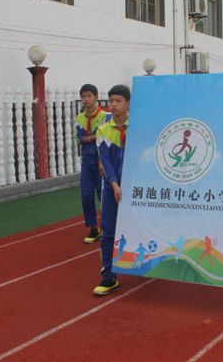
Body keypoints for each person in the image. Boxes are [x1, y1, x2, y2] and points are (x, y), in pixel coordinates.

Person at [93, 85, 130, 296]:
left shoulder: (139, 127)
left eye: (118, 100)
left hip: (136, 189)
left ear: (128, 103)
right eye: (111, 100)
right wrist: (114, 184)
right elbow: (105, 162)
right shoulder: (103, 130)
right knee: (108, 231)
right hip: (111, 188)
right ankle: (109, 276)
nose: (113, 104)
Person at [75, 84, 108, 243]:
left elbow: (106, 138)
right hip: (86, 161)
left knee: (103, 196)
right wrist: (96, 135)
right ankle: (93, 229)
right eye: (83, 96)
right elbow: (80, 139)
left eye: (89, 96)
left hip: (101, 160)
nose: (86, 99)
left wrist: (91, 138)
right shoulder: (79, 118)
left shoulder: (104, 116)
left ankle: (109, 226)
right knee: (86, 195)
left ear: (96, 97)